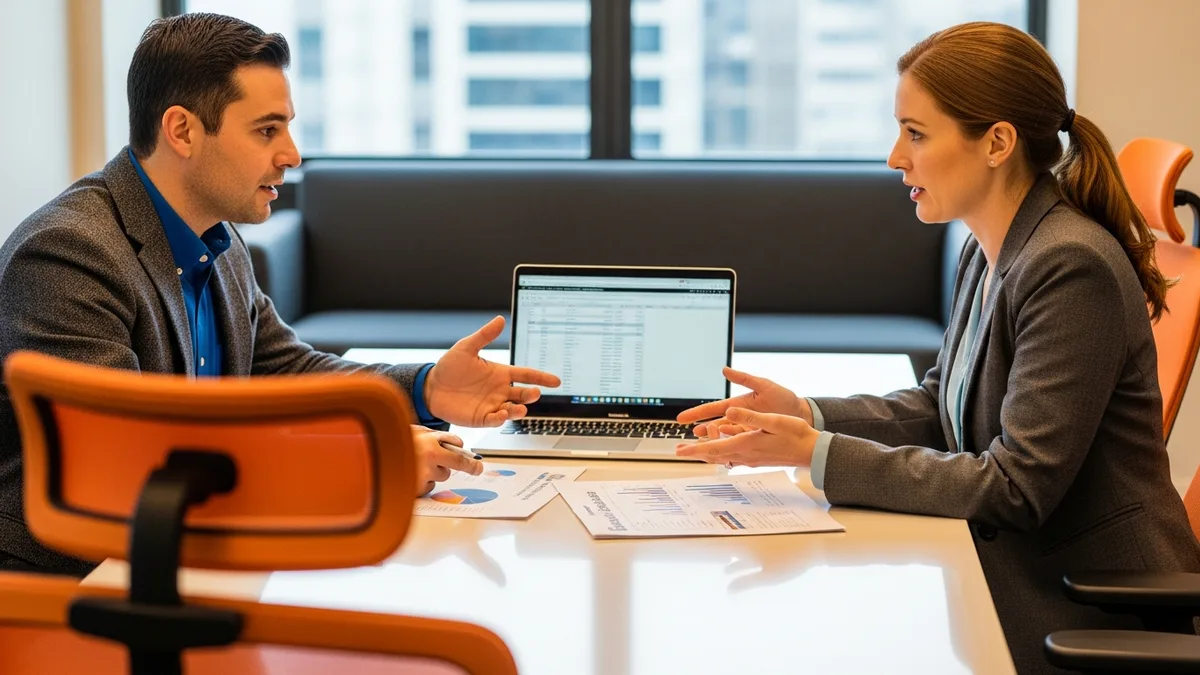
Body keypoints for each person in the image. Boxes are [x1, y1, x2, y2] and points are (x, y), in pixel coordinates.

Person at [676, 22, 1200, 674]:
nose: (896, 157)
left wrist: (819, 455)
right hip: (1012, 572)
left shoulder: (1068, 265)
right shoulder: (993, 246)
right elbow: (940, 408)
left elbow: (1015, 487)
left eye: (916, 133)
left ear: (997, 143)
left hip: (1083, 602)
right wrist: (808, 415)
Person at [0, 13, 559, 576]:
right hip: (70, 590)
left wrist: (425, 387)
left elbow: (286, 371)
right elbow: (124, 468)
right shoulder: (70, 253)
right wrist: (362, 461)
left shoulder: (218, 240)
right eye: (267, 130)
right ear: (183, 130)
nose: (292, 154)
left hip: (188, 561)